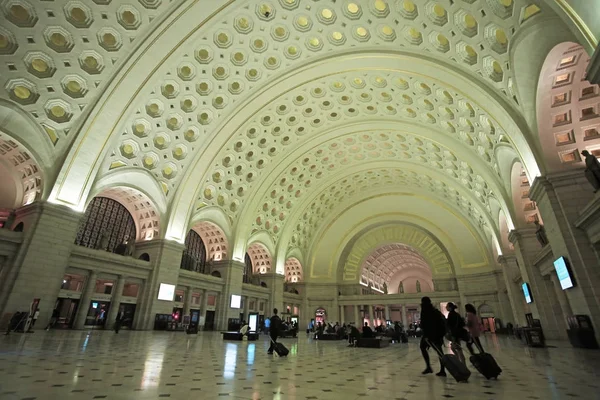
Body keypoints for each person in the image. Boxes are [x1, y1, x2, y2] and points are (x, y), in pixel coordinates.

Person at [419, 296, 447, 376]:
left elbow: (424, 324)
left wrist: (426, 335)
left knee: (423, 347)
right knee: (439, 352)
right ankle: (442, 370)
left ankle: (429, 367)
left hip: (430, 335)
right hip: (438, 334)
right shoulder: (434, 310)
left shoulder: (425, 310)